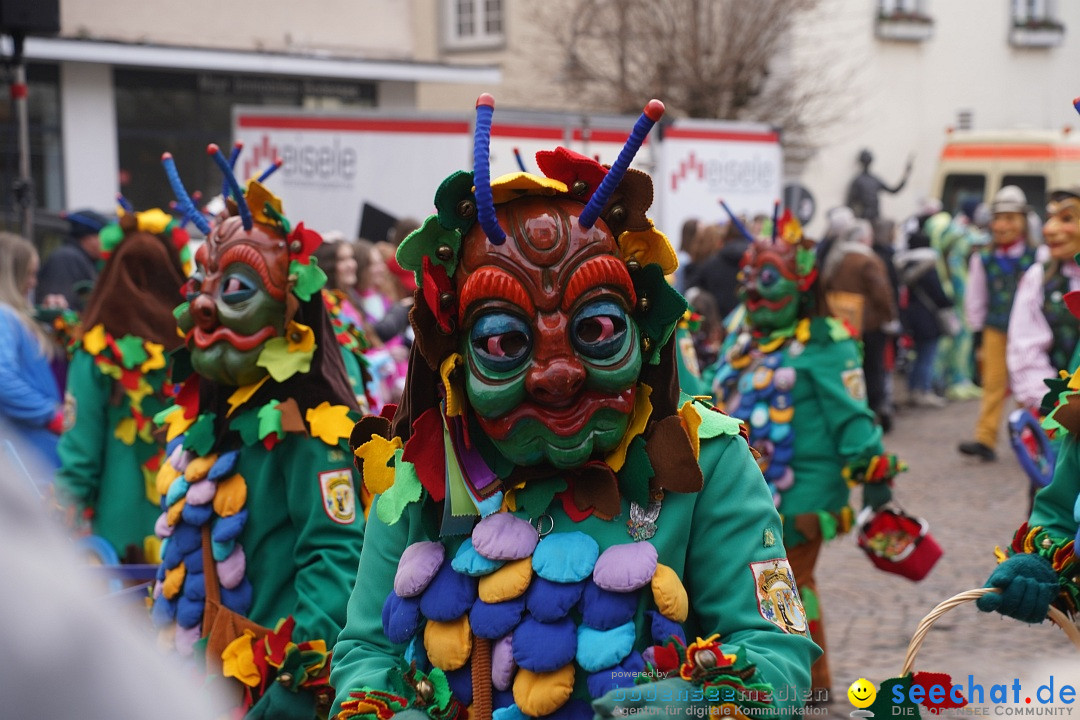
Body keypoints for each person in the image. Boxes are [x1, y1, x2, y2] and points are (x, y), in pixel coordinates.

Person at [330, 97, 818, 720]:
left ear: (641, 332)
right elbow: (366, 652)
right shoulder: (426, 470)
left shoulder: (707, 462)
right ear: (456, 354)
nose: (556, 372)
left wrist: (690, 705)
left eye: (596, 329)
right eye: (505, 342)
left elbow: (776, 654)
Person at [150, 147, 366, 717]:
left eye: (236, 290)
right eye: (201, 283)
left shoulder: (312, 428)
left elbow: (337, 562)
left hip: (268, 692)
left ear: (288, 309)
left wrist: (291, 694)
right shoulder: (208, 419)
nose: (204, 306)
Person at [710, 214, 903, 696]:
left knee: (791, 586)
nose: (754, 290)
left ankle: (810, 686)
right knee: (754, 590)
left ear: (801, 284)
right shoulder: (742, 336)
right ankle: (761, 680)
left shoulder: (824, 342)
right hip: (743, 491)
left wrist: (873, 473)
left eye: (769, 277)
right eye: (749, 277)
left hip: (801, 496)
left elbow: (853, 416)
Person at [54, 211, 189, 563]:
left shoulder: (97, 352)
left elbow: (79, 455)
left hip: (119, 541)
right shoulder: (197, 350)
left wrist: (59, 526)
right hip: (187, 528)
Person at [958, 186, 1039, 462]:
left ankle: (1034, 440)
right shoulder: (984, 259)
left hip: (1028, 333)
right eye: (999, 218)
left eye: (1010, 218)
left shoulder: (1036, 257)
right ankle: (985, 438)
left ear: (1022, 222)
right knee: (993, 384)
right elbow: (976, 298)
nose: (1003, 225)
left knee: (1028, 385)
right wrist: (978, 335)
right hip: (996, 329)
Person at [1007, 187, 1080, 415]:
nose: (1049, 229)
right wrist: (1053, 403)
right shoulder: (1039, 278)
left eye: (1066, 218)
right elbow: (1025, 347)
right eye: (1049, 219)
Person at [820, 219, 899, 424]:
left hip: (841, 323)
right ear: (865, 238)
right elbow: (881, 292)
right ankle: (873, 412)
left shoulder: (836, 258)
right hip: (870, 324)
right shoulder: (867, 260)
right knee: (873, 368)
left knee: (847, 367)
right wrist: (889, 317)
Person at [0, 232, 63, 470]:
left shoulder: (11, 316)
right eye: (30, 274)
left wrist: (57, 325)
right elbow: (2, 378)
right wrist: (50, 415)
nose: (34, 283)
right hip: (29, 456)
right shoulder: (4, 315)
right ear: (10, 274)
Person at [894, 216, 954, 408]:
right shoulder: (928, 266)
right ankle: (925, 391)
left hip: (911, 318)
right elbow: (938, 294)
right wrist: (948, 302)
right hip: (928, 319)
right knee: (927, 356)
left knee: (916, 356)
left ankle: (913, 390)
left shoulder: (904, 266)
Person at [36, 209, 108, 311]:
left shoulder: (81, 259)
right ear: (88, 238)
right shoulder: (66, 259)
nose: (106, 244)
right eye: (104, 237)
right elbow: (57, 310)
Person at [845, 149, 912, 222]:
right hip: (864, 218)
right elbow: (850, 203)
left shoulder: (874, 180)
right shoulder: (858, 181)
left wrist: (906, 175)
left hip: (876, 217)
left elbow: (893, 190)